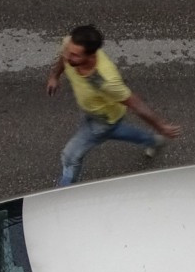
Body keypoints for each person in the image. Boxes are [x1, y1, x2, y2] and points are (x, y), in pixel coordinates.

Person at [46, 25, 182, 186]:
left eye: (74, 55)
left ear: (90, 56)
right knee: (115, 131)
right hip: (91, 111)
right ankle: (153, 141)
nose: (68, 56)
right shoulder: (70, 45)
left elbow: (135, 103)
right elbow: (63, 58)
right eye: (68, 50)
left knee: (70, 156)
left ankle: (63, 191)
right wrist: (54, 76)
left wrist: (161, 126)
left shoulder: (105, 80)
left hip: (103, 120)